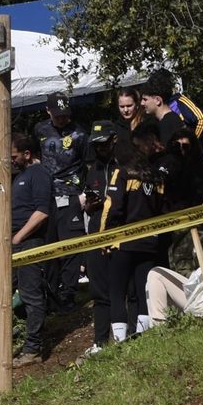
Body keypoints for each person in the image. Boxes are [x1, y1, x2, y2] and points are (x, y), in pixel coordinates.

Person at [100, 124, 172, 342]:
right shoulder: (156, 177)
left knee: (117, 292)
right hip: (150, 242)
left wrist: (104, 237)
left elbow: (112, 207)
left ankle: (120, 341)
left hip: (123, 241)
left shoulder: (122, 173)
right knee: (143, 291)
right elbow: (163, 209)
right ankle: (143, 337)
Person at [34, 93, 90, 311]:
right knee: (49, 247)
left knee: (71, 246)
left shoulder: (80, 134)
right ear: (47, 111)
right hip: (46, 197)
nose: (62, 118)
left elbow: (90, 164)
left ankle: (68, 294)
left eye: (65, 114)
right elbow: (35, 156)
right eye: (57, 115)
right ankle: (51, 294)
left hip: (72, 195)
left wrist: (85, 193)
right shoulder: (40, 129)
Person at [11, 135, 55, 366]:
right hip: (12, 244)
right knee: (8, 294)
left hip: (29, 243)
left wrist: (19, 236)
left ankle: (32, 350)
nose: (11, 161)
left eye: (14, 156)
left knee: (30, 294)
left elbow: (42, 211)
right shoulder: (19, 176)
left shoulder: (38, 174)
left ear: (27, 154)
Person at [79, 122, 120, 355]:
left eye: (103, 143)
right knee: (99, 292)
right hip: (95, 234)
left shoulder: (123, 164)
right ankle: (100, 342)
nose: (100, 148)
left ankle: (129, 335)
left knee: (125, 288)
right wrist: (90, 205)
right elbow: (87, 207)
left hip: (121, 233)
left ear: (114, 139)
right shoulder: (93, 168)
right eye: (96, 145)